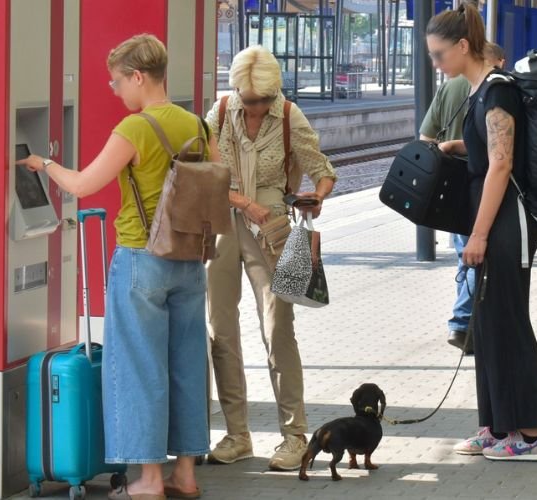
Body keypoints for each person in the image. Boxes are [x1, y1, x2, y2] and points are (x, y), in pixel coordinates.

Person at [17, 34, 210, 499]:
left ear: (138, 77)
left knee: (140, 370)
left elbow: (83, 184)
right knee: (185, 367)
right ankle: (184, 475)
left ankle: (146, 481)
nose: (117, 90)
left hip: (142, 260)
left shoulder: (135, 128)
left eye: (118, 81)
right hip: (189, 260)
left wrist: (44, 164)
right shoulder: (195, 125)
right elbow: (216, 182)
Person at [203, 45, 337, 471]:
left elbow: (323, 169)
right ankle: (237, 434)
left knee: (278, 329)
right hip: (223, 223)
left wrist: (316, 196)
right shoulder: (221, 112)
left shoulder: (289, 115)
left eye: (262, 100)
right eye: (249, 99)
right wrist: (243, 202)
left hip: (273, 231)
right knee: (220, 330)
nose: (256, 106)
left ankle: (294, 435)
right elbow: (202, 173)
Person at [427, 2, 537, 461]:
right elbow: (488, 148)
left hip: (506, 224)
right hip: (490, 220)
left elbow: (502, 163)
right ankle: (496, 427)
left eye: (439, 55)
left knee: (510, 323)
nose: (436, 64)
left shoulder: (498, 91)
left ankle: (531, 435)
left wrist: (477, 236)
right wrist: (458, 145)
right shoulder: (479, 91)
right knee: (488, 325)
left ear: (463, 46)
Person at [419, 42, 506, 355]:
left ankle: (467, 324)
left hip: (452, 188)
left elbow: (426, 137)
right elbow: (501, 159)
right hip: (482, 189)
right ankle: (463, 322)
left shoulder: (451, 88)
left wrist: (448, 150)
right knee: (474, 256)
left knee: (464, 254)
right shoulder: (498, 91)